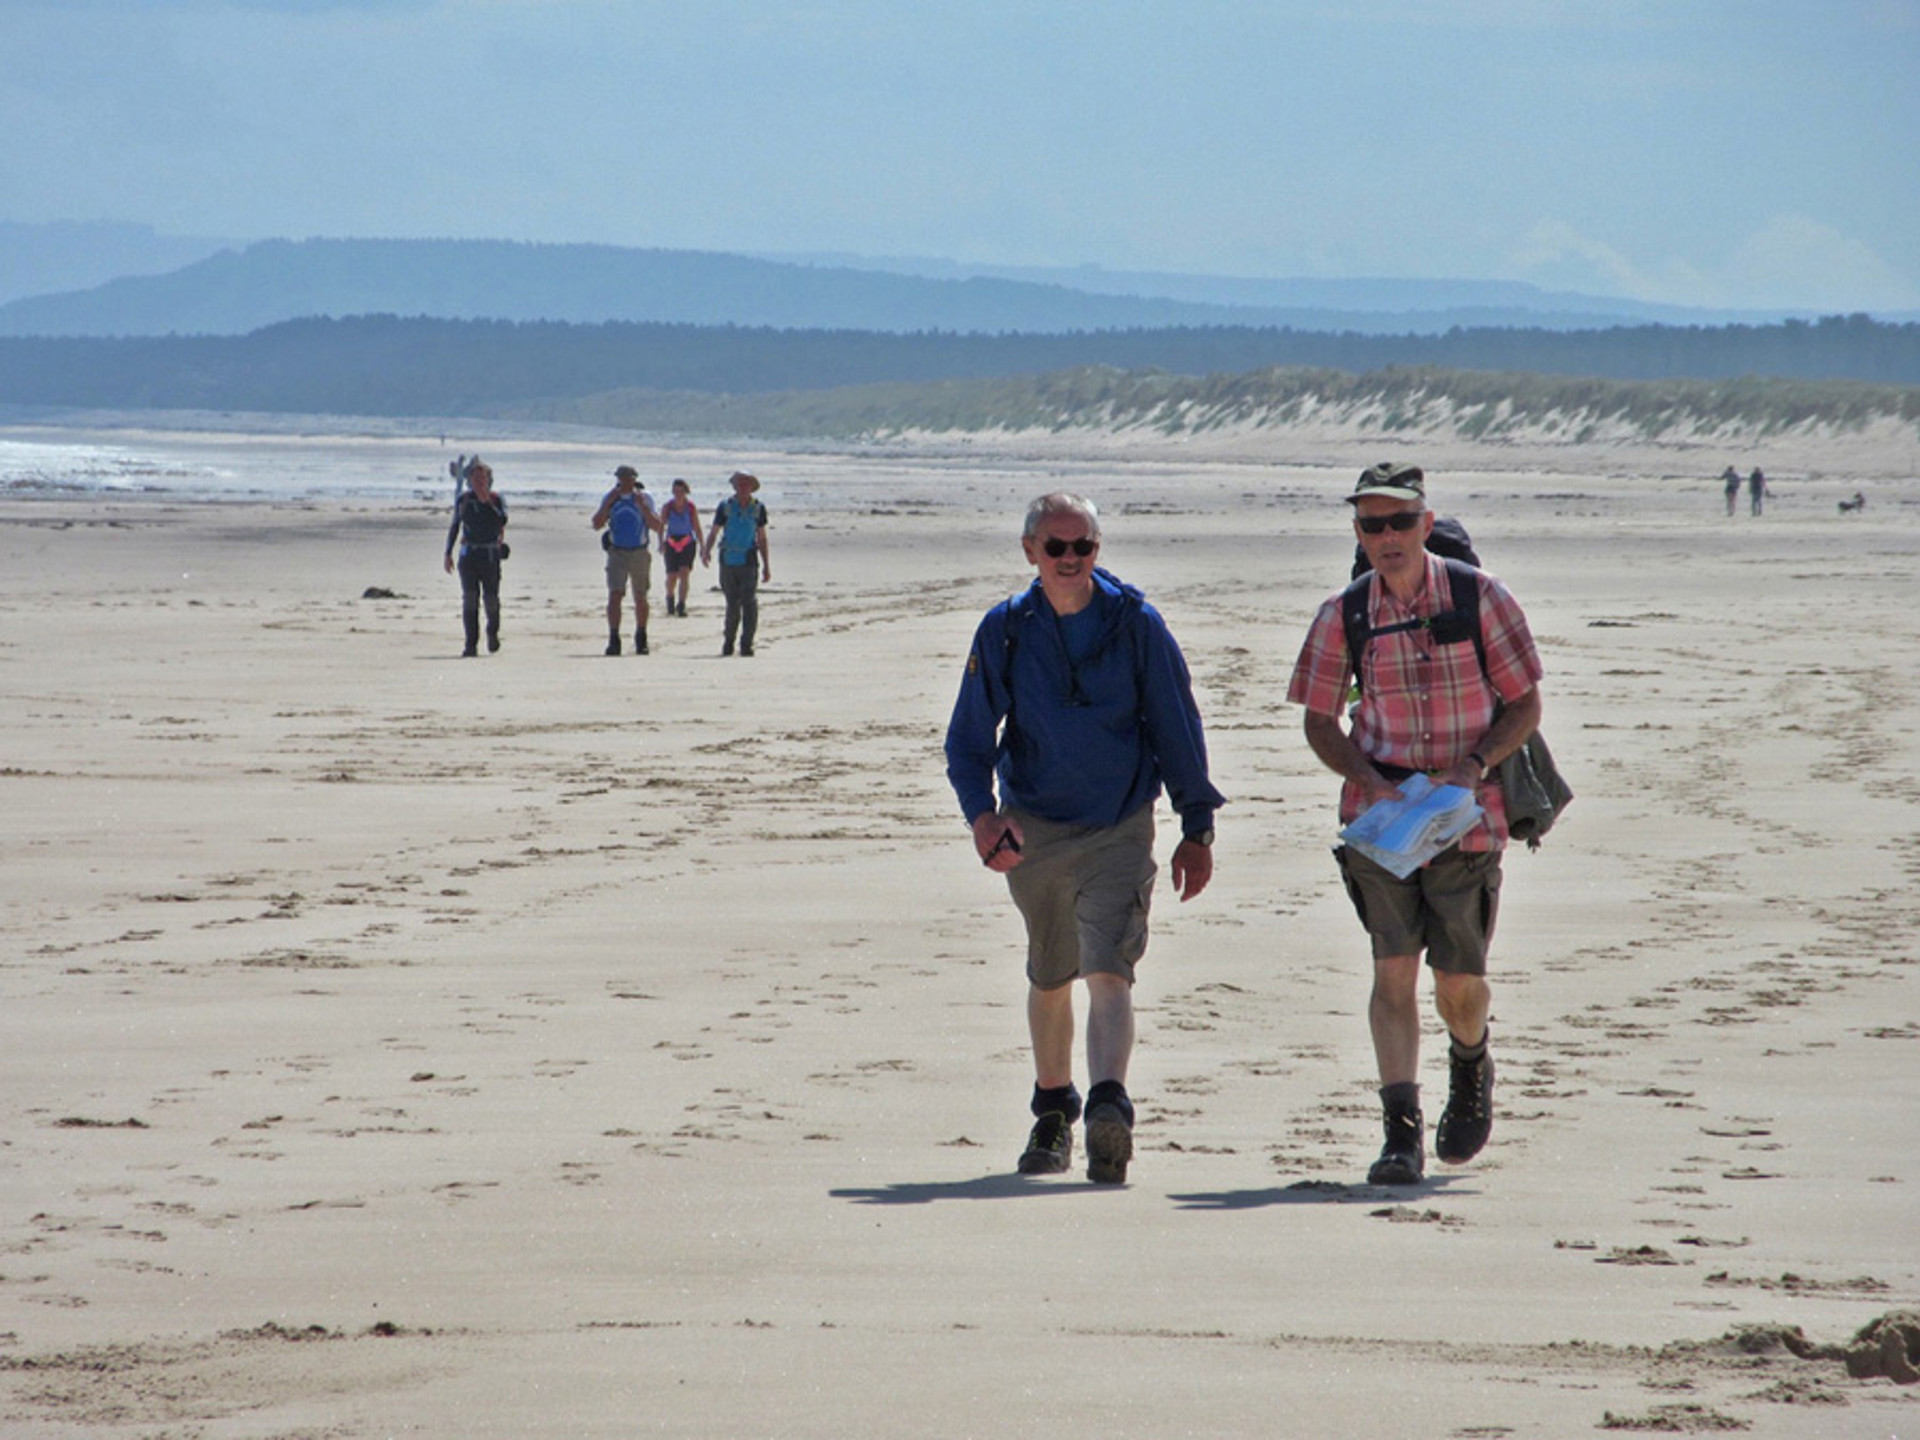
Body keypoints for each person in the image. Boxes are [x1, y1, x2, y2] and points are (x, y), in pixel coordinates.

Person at [945, 493, 1224, 1185]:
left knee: (1109, 970)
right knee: (1050, 975)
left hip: (1119, 824)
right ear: (1030, 551)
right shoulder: (1006, 630)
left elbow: (1176, 725)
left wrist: (1198, 825)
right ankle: (1050, 1111)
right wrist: (983, 815)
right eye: (1056, 547)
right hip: (1033, 828)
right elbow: (968, 742)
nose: (1071, 560)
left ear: (1098, 551)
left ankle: (1108, 1107)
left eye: (1084, 547)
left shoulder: (1137, 626)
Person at [1286, 462, 1544, 1186]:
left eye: (1401, 521)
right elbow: (1318, 719)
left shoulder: (1480, 597)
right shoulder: (1346, 612)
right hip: (1383, 827)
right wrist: (1366, 780)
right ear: (1359, 533)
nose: (1388, 536)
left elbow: (1525, 705)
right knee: (1391, 972)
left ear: (1426, 524)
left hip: (1468, 818)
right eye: (1373, 524)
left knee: (1459, 984)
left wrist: (1474, 766)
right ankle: (1400, 1133)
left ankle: (1471, 1060)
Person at [591, 465, 662, 655]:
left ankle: (641, 636)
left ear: (635, 479)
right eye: (622, 478)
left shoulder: (645, 497)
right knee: (615, 595)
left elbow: (657, 525)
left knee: (640, 596)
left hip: (639, 551)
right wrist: (608, 505)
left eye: (629, 478)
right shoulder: (611, 497)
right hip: (617, 552)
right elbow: (597, 524)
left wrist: (643, 507)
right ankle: (614, 638)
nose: (625, 482)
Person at [443, 460, 508, 657]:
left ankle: (492, 632)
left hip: (489, 554)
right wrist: (448, 552)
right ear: (469, 480)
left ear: (489, 480)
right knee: (470, 600)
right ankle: (470, 644)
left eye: (483, 478)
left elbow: (502, 520)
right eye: (475, 478)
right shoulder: (464, 500)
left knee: (491, 600)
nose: (479, 482)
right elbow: (455, 526)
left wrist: (486, 501)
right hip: (469, 555)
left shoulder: (497, 499)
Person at [704, 470, 770, 657]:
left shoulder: (758, 508)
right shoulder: (725, 507)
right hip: (728, 560)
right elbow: (715, 531)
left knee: (749, 604)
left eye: (746, 484)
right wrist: (706, 550)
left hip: (749, 560)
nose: (743, 487)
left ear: (752, 487)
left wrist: (766, 565)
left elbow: (762, 538)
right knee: (732, 604)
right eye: (740, 484)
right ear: (734, 486)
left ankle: (747, 644)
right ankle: (729, 642)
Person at [659, 478, 706, 617]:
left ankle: (681, 604)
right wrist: (661, 542)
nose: (678, 494)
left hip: (687, 542)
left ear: (685, 492)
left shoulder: (690, 507)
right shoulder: (667, 507)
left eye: (680, 491)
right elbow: (661, 526)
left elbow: (696, 527)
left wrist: (703, 546)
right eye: (675, 491)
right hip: (671, 542)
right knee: (672, 576)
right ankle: (670, 598)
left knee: (684, 573)